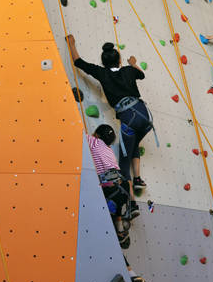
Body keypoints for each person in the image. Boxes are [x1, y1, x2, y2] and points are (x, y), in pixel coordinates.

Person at [67, 35, 157, 217]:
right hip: (145, 116)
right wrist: (133, 63)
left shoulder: (103, 73)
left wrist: (72, 44)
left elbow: (78, 62)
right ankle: (138, 178)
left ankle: (132, 204)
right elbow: (142, 73)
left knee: (123, 163)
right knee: (133, 146)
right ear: (120, 59)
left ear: (103, 61)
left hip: (129, 119)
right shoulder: (128, 70)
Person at [88, 124, 149, 282]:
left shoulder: (93, 142)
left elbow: (77, 134)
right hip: (121, 188)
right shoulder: (108, 150)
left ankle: (133, 276)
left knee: (105, 232)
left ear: (97, 134)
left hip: (110, 189)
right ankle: (121, 230)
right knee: (113, 215)